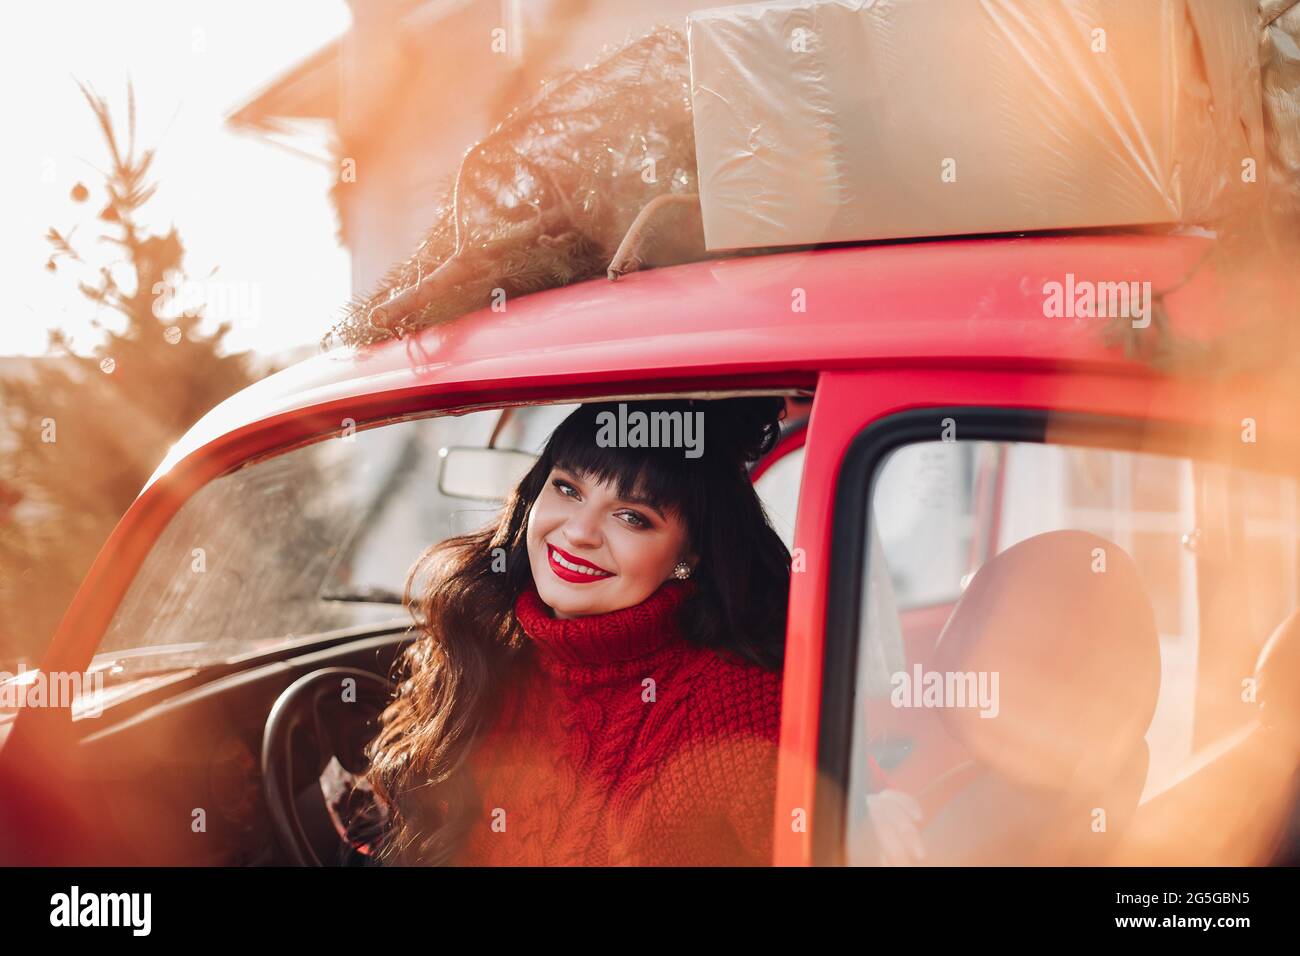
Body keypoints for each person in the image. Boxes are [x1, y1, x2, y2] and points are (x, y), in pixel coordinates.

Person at [350, 397, 791, 866]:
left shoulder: (739, 705)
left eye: (632, 517)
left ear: (691, 555)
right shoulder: (477, 644)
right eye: (568, 489)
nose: (580, 531)